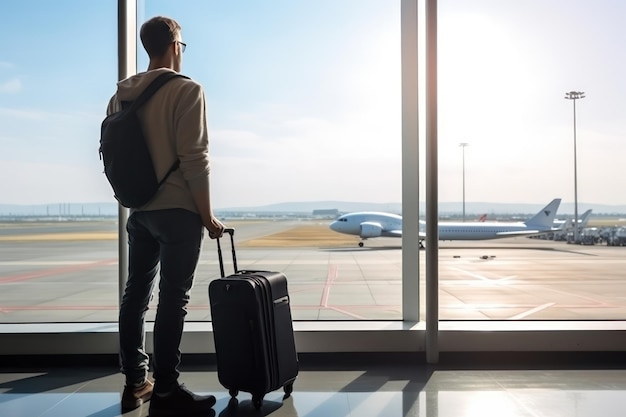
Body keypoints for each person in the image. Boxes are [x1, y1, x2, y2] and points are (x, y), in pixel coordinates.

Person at [106, 15, 225, 416]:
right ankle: (168, 390)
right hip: (177, 212)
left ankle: (136, 382)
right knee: (174, 300)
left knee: (135, 296)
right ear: (175, 44)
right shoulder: (187, 90)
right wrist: (207, 216)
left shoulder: (120, 96)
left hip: (138, 212)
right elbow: (195, 159)